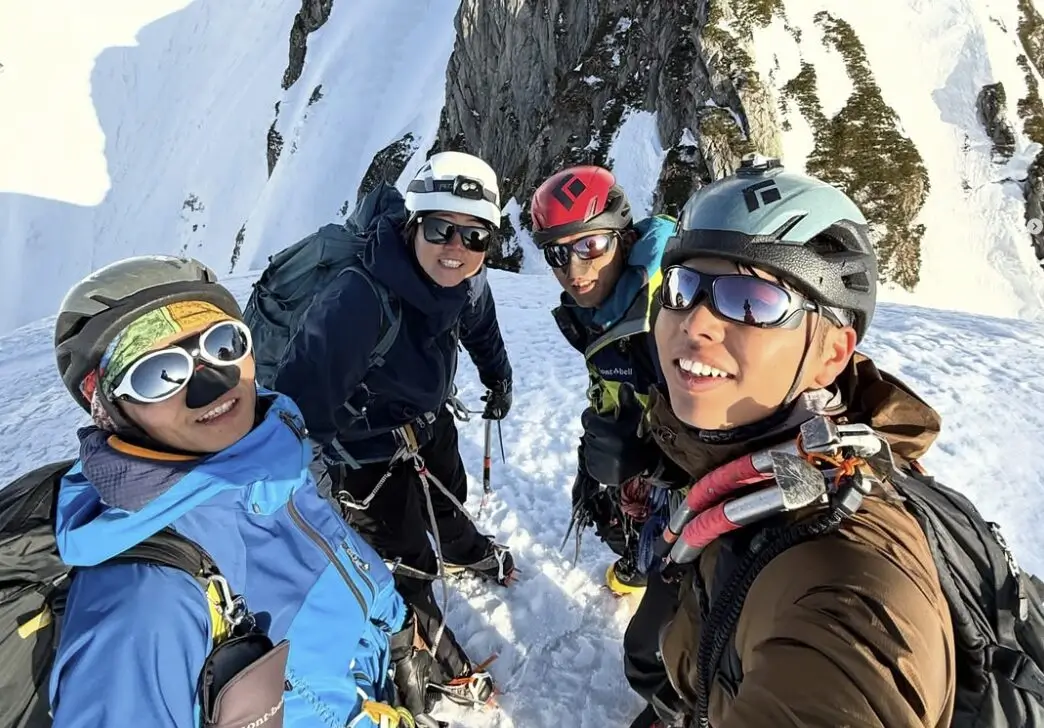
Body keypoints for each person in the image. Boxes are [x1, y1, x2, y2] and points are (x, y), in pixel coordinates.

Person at [627, 156, 956, 727]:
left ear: (832, 352)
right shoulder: (750, 450)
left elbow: (844, 676)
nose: (695, 322)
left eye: (750, 300)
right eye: (684, 287)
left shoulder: (846, 575)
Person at [46, 255, 436, 728]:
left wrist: (397, 630)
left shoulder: (275, 466)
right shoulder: (143, 605)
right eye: (157, 373)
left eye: (222, 344)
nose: (210, 385)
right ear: (111, 409)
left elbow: (336, 551)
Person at [273, 151, 514, 708]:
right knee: (408, 560)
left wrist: (498, 378)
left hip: (431, 429)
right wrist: (312, 499)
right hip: (367, 460)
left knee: (451, 501)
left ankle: (467, 550)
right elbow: (296, 406)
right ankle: (425, 659)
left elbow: (481, 328)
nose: (456, 248)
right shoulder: (357, 300)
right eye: (441, 229)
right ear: (413, 224)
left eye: (474, 237)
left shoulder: (467, 283)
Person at [528, 164, 688, 599]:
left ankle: (656, 573)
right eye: (557, 253)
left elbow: (726, 425)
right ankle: (642, 560)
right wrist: (593, 456)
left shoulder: (670, 311)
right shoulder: (603, 314)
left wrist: (658, 468)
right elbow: (613, 388)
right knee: (611, 515)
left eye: (590, 244)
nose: (574, 267)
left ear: (625, 237)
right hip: (651, 459)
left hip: (693, 485)